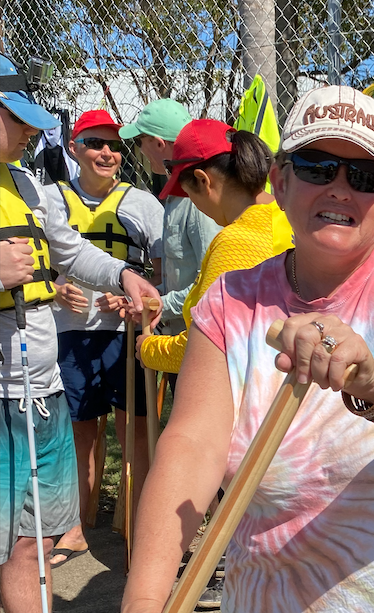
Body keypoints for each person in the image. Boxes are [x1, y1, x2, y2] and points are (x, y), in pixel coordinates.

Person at [122, 85, 374, 613]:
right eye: (317, 167)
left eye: (365, 176)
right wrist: (145, 597)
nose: (341, 188)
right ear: (280, 183)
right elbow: (192, 443)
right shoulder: (231, 300)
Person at [0, 53, 161, 613]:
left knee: (34, 541)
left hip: (41, 390)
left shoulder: (28, 186)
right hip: (3, 394)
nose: (27, 133)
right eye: (15, 119)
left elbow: (69, 249)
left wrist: (124, 274)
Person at [42, 109, 164, 568]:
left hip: (125, 333)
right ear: (74, 148)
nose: (107, 152)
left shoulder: (142, 204)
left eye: (113, 145)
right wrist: (54, 286)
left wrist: (138, 301)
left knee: (133, 429)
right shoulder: (49, 198)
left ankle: (140, 524)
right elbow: (40, 261)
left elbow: (164, 272)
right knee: (80, 432)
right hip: (67, 333)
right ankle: (77, 527)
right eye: (95, 143)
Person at [137, 118, 292, 374]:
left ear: (202, 180)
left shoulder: (236, 242)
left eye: (189, 194)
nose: (196, 205)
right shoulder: (286, 216)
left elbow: (205, 346)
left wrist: (149, 349)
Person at [119, 99, 220, 342]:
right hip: (176, 336)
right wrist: (148, 297)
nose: (140, 150)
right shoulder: (176, 196)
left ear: (158, 143)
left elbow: (210, 283)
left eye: (140, 141)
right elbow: (180, 280)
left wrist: (158, 304)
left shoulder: (198, 198)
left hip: (198, 341)